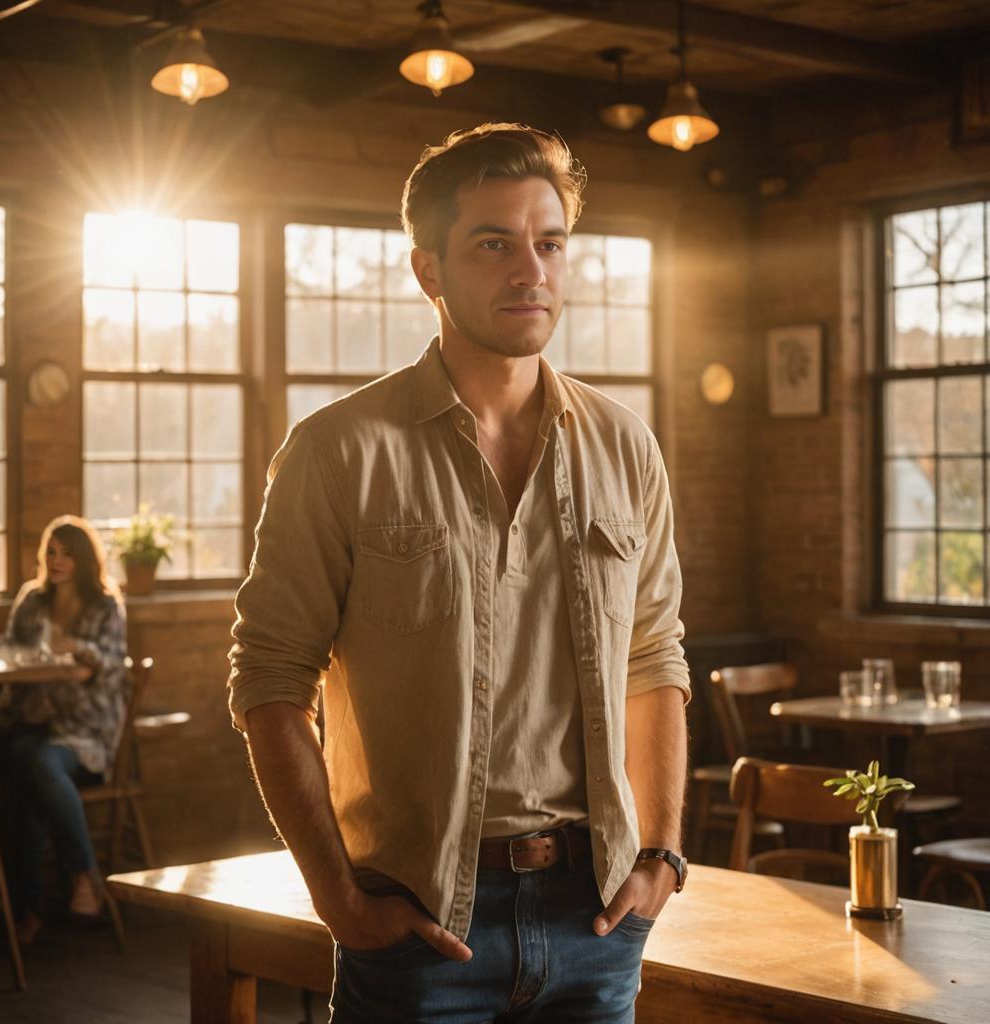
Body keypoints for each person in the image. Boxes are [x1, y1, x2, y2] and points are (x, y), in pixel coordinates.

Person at [228, 122, 691, 1023]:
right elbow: (271, 682)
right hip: (419, 923)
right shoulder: (338, 453)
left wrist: (661, 855)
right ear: (428, 271)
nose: (532, 271)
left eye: (549, 243)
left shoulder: (625, 447)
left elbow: (655, 655)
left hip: (597, 920)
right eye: (494, 244)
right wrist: (338, 897)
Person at [0, 514, 127, 944]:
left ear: (84, 559)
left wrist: (76, 649)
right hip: (32, 722)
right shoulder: (32, 600)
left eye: (67, 553)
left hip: (84, 733)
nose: (56, 560)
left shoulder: (105, 604)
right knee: (23, 765)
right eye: (51, 551)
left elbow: (109, 666)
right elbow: (8, 654)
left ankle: (31, 909)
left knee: (29, 768)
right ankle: (73, 889)